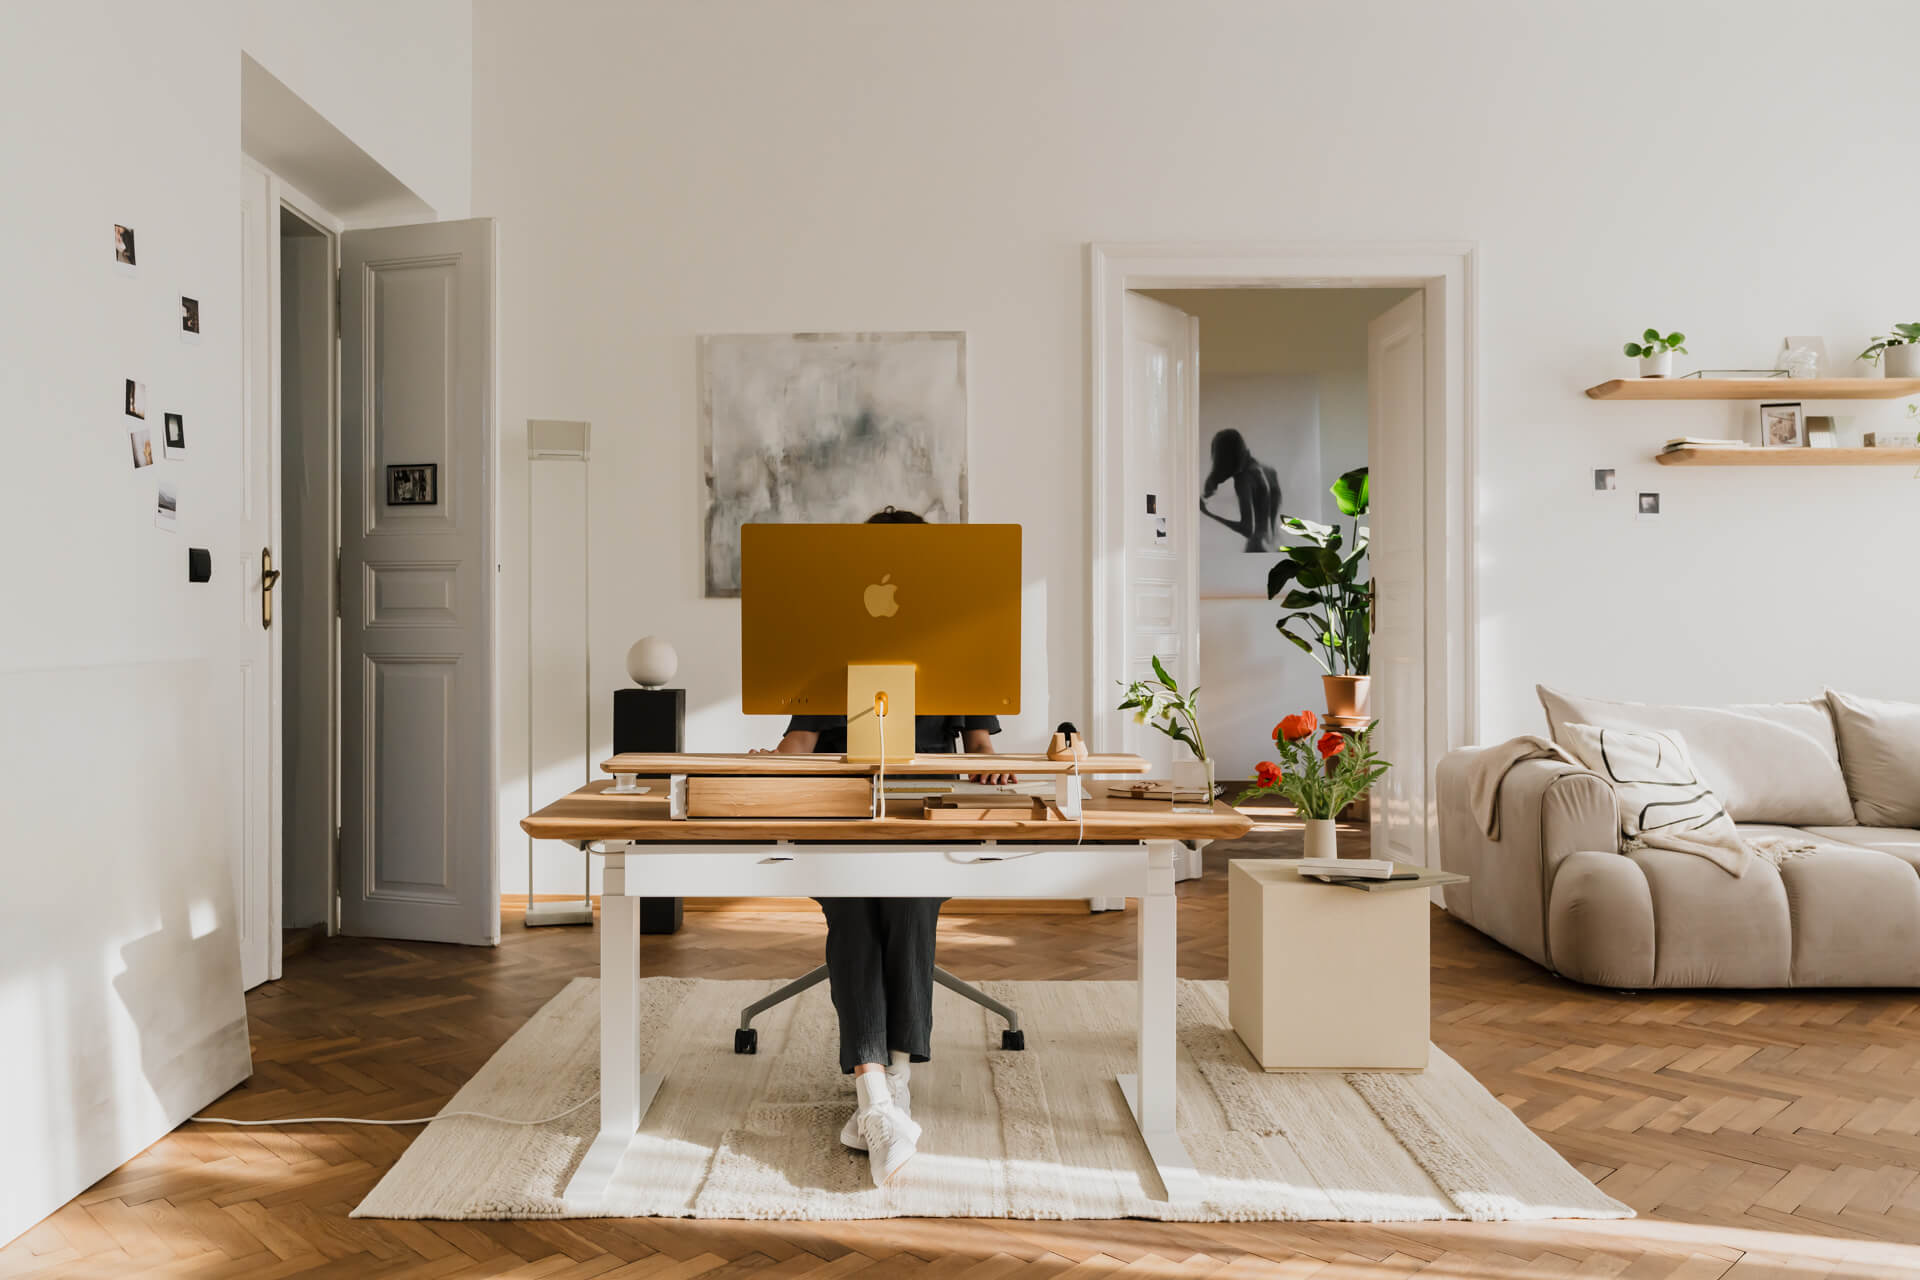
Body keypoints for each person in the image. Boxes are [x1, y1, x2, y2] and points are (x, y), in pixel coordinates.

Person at [754, 506, 1015, 1186]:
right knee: (851, 906)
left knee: (905, 897)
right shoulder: (831, 651)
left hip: (924, 821)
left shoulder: (958, 647)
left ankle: (888, 1083)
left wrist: (990, 767)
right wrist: (770, 762)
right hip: (841, 818)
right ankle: (878, 1097)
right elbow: (797, 747)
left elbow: (986, 751)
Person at [1198, 427, 1281, 552]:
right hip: (1276, 544)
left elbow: (1247, 529)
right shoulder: (1270, 471)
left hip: (1257, 546)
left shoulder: (1243, 479)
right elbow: (1273, 517)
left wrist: (1207, 512)